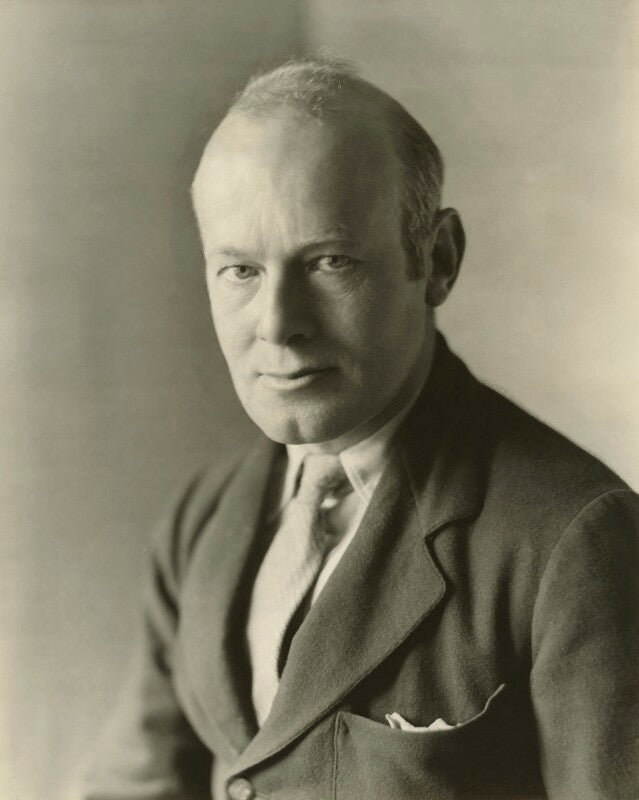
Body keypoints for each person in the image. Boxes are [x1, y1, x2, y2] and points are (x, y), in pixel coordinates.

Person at [82, 57, 639, 800]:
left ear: (436, 261)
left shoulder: (575, 541)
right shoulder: (201, 521)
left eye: (329, 261)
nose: (278, 325)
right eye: (240, 271)